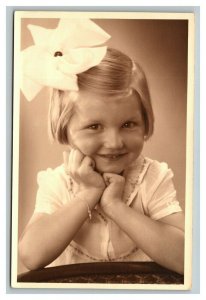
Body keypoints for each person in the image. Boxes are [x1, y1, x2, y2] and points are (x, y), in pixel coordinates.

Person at [18, 18, 184, 275]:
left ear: (146, 121)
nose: (115, 142)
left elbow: (189, 259)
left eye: (128, 124)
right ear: (65, 127)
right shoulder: (59, 183)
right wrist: (88, 194)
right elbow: (31, 255)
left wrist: (115, 207)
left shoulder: (153, 178)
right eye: (94, 126)